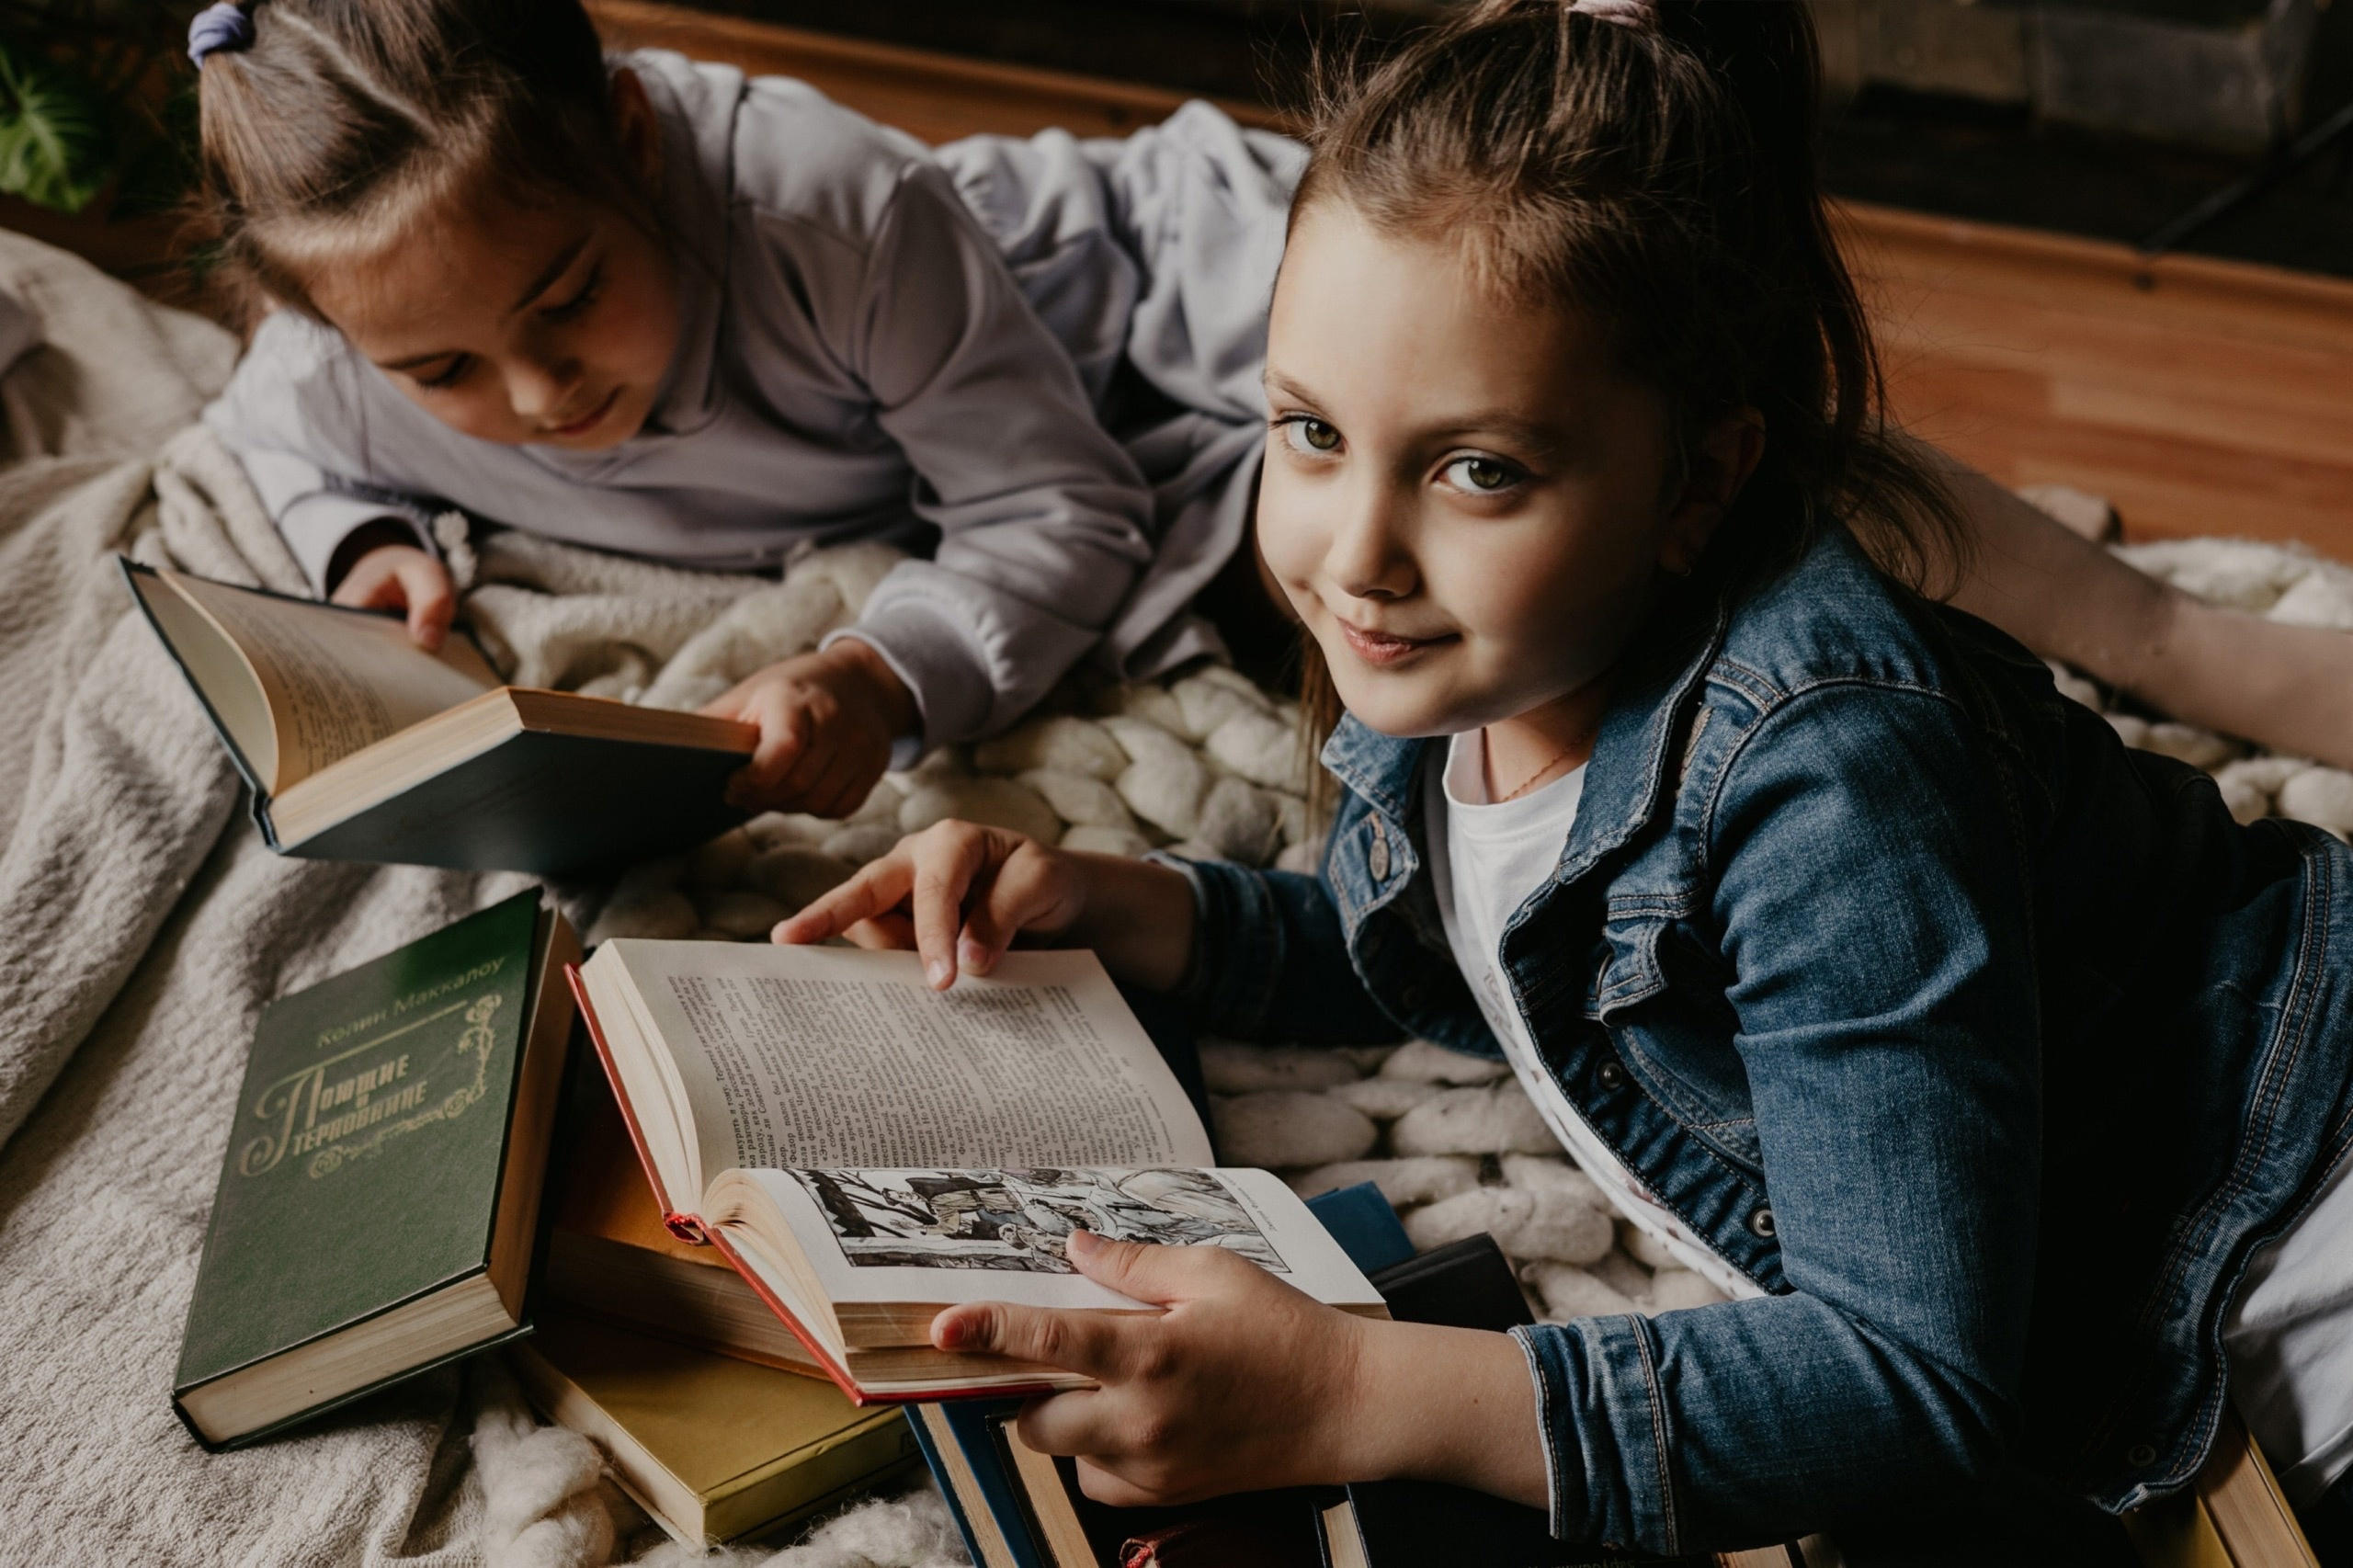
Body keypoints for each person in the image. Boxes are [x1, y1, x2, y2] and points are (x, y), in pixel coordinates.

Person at [775, 1, 2353, 1556]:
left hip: (2302, 1247)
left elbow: (1911, 1378)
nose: (1359, 557)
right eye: (1312, 432)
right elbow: (1484, 941)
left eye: (1480, 470)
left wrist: (1352, 1390)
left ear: (1699, 479)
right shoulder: (1471, 652)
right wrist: (1147, 909)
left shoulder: (1831, 788)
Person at [185, 0, 1302, 815]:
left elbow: (1060, 502)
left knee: (1361, 508)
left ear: (635, 142)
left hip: (1132, 300)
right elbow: (259, 438)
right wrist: (367, 539)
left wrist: (874, 675)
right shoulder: (327, 367)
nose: (539, 393)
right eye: (441, 373)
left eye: (572, 298)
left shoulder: (835, 211)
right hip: (940, 412)